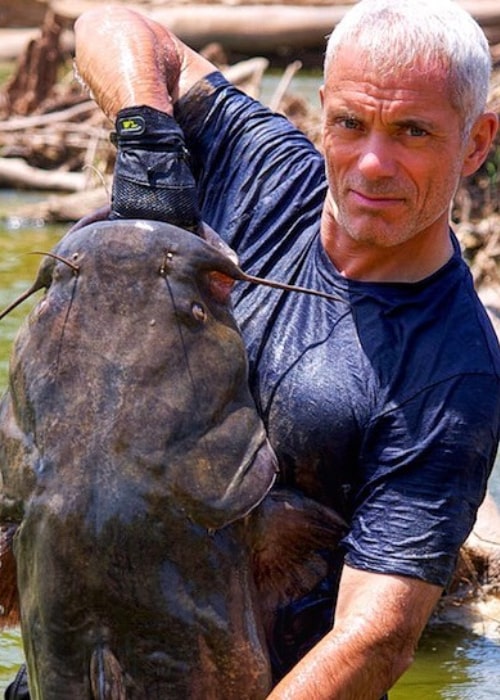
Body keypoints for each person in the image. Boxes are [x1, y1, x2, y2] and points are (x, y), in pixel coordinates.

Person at [5, 0, 500, 698]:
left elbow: (377, 637)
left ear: (478, 142)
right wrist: (148, 137)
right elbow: (111, 23)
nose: (372, 162)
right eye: (351, 123)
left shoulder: (451, 374)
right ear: (322, 110)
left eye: (412, 132)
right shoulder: (266, 169)